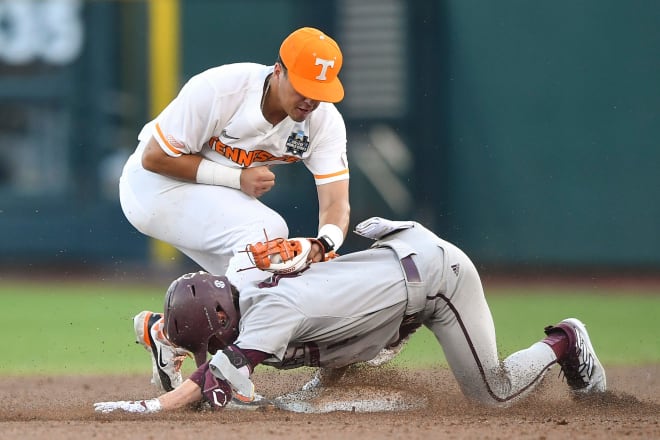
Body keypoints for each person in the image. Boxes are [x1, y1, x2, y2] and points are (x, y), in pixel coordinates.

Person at [94, 217, 607, 414]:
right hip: (389, 274)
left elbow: (213, 381)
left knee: (492, 394)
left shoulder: (271, 310)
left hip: (435, 281)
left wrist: (151, 407)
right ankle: (338, 372)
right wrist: (164, 331)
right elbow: (207, 331)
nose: (212, 350)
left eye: (210, 341)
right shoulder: (235, 276)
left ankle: (565, 340)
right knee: (318, 369)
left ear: (223, 327)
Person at [119, 27, 351, 391]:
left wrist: (324, 243)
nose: (310, 100)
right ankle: (225, 375)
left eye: (319, 92)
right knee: (267, 229)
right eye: (303, 87)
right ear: (279, 70)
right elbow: (154, 157)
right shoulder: (221, 89)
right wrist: (235, 178)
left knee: (269, 288)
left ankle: (166, 335)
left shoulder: (323, 122)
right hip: (152, 188)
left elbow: (337, 202)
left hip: (206, 196)